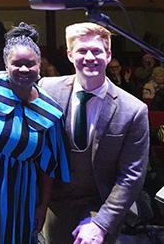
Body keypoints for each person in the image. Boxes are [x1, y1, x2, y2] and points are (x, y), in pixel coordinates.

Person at [40, 23, 150, 244]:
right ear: (70, 55)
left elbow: (131, 176)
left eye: (97, 51)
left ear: (108, 56)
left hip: (100, 201)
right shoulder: (47, 89)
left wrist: (101, 224)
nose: (89, 57)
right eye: (82, 51)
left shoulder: (133, 110)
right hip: (55, 200)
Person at [0, 24, 70, 244]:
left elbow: (47, 167)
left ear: (39, 66)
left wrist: (42, 207)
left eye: (29, 64)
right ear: (5, 65)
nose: (23, 69)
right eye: (16, 64)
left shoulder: (51, 112)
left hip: (19, 198)